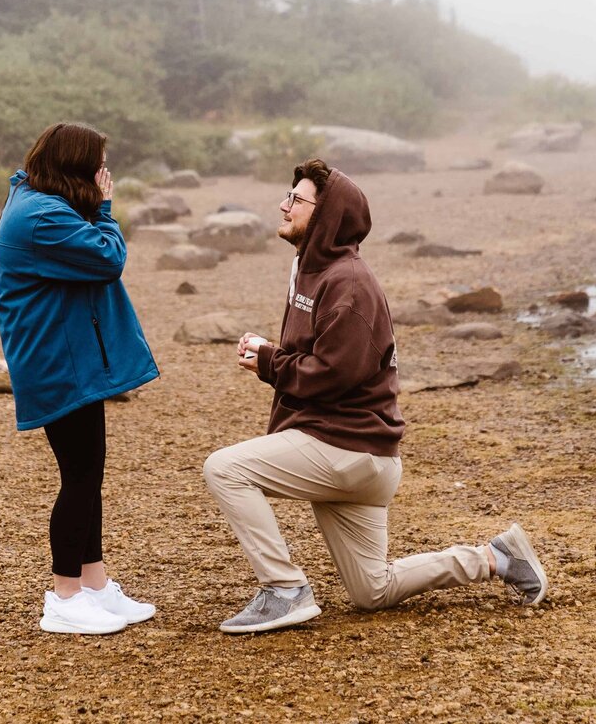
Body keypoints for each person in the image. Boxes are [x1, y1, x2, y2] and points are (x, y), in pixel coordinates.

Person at [203, 157, 547, 634]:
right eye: (288, 196)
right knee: (372, 591)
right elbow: (323, 357)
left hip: (348, 448)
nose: (283, 206)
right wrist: (271, 353)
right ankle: (496, 558)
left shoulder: (348, 283)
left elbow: (335, 374)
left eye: (296, 200)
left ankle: (283, 591)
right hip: (355, 451)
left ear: (325, 215)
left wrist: (269, 362)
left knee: (224, 467)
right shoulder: (310, 269)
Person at [0, 122, 159, 635]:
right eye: (96, 165)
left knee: (89, 474)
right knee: (80, 476)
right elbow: (109, 258)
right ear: (75, 166)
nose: (101, 175)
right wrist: (106, 208)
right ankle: (64, 595)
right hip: (55, 362)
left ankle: (94, 585)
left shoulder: (39, 201)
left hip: (65, 355)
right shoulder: (41, 215)